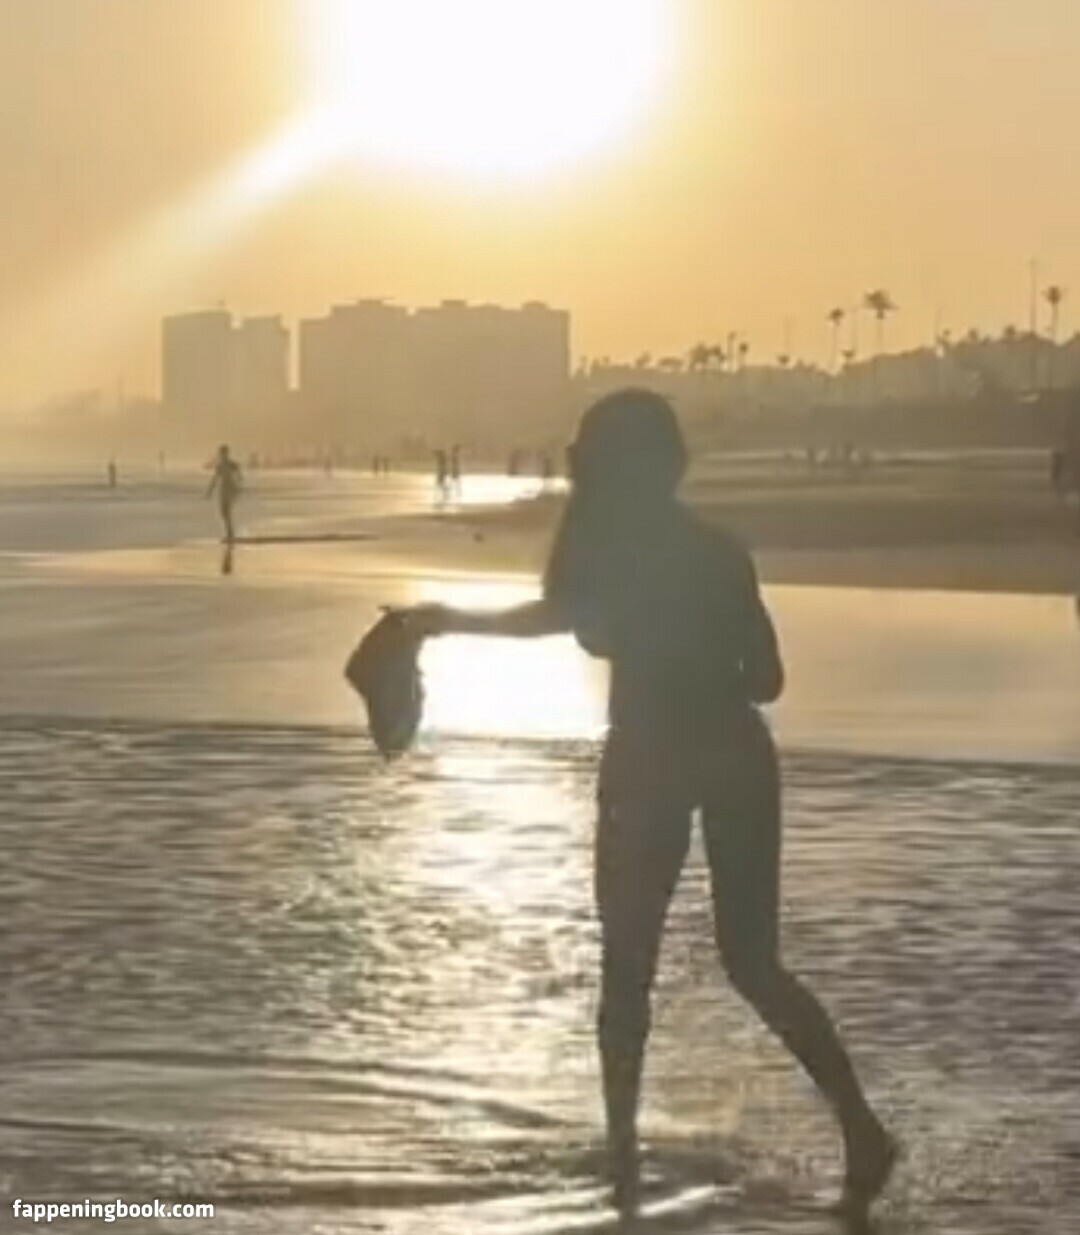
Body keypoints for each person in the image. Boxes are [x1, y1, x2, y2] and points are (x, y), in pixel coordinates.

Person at [399, 389, 895, 1219]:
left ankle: (623, 1159)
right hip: (736, 752)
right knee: (754, 963)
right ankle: (861, 1129)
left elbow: (553, 619)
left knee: (627, 968)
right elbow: (770, 679)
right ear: (671, 463)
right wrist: (707, 663)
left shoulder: (599, 550)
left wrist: (442, 619)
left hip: (649, 757)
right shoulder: (719, 552)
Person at [206, 444, 243, 545]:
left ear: (226, 454)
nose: (222, 455)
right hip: (223, 490)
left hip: (230, 489)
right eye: (221, 454)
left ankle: (230, 534)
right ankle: (229, 533)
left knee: (226, 511)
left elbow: (239, 475)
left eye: (223, 453)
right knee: (223, 512)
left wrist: (238, 484)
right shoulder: (220, 466)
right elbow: (215, 479)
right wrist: (209, 491)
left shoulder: (231, 464)